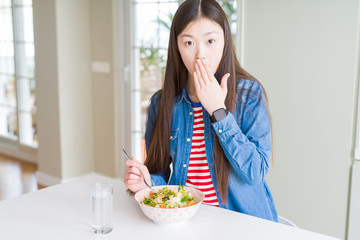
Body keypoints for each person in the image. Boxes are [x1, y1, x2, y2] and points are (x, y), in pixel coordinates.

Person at [124, 0, 278, 222]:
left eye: (210, 41)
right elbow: (160, 174)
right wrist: (147, 182)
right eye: (189, 43)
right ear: (176, 45)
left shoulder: (249, 94)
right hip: (188, 224)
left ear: (225, 41)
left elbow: (256, 173)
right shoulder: (162, 102)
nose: (200, 55)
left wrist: (218, 111)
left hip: (245, 226)